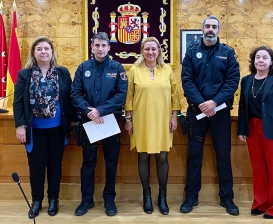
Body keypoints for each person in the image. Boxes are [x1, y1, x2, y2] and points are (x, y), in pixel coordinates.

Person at [180, 15, 240, 215]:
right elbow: (187, 81)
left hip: (220, 113)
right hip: (196, 113)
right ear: (202, 29)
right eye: (207, 26)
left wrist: (214, 102)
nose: (211, 29)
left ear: (219, 30)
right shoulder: (191, 53)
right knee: (194, 155)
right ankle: (191, 197)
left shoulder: (228, 53)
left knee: (223, 156)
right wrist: (202, 104)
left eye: (214, 26)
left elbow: (232, 82)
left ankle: (227, 198)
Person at [13, 36, 75, 219]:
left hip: (58, 128)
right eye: (39, 49)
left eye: (46, 48)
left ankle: (53, 200)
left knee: (55, 165)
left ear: (52, 51)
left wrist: (72, 120)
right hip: (35, 129)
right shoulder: (24, 74)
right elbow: (17, 103)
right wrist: (20, 126)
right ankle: (37, 201)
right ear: (34, 52)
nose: (43, 52)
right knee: (36, 166)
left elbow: (69, 99)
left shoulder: (63, 73)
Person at [71, 32, 128, 217]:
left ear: (109, 47)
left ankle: (109, 200)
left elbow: (121, 95)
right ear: (92, 46)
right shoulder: (83, 67)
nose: (101, 48)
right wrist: (90, 111)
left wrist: (100, 110)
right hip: (89, 122)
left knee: (111, 162)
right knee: (88, 161)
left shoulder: (117, 67)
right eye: (97, 45)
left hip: (110, 121)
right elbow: (75, 94)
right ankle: (86, 200)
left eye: (104, 45)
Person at [124, 37, 181, 215]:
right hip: (141, 119)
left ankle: (162, 197)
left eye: (153, 49)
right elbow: (129, 96)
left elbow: (175, 95)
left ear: (159, 51)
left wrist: (174, 117)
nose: (150, 52)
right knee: (143, 156)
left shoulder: (167, 70)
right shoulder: (134, 70)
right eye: (147, 49)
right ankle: (147, 196)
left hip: (163, 119)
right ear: (142, 51)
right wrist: (128, 119)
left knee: (162, 156)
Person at [237, 46, 273, 219]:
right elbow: (242, 106)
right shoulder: (246, 80)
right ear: (253, 61)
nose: (260, 60)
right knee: (258, 169)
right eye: (257, 57)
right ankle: (260, 204)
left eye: (264, 58)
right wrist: (242, 129)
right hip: (252, 129)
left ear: (271, 62)